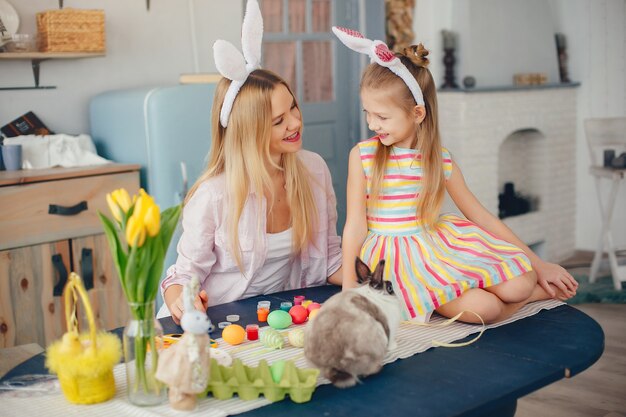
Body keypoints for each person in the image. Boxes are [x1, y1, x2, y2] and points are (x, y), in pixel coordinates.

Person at [335, 27, 577, 324]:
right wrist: (349, 286)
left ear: (418, 114)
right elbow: (355, 225)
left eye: (382, 116)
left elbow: (482, 217)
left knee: (521, 282)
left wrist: (538, 264)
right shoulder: (363, 156)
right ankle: (477, 298)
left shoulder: (440, 160)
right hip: (395, 258)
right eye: (367, 113)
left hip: (437, 247)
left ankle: (516, 291)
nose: (373, 124)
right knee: (483, 310)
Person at [159, 1, 342, 324]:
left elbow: (329, 259)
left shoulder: (313, 170)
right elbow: (181, 278)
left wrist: (380, 268)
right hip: (218, 323)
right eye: (278, 121)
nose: (296, 123)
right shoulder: (214, 195)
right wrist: (182, 303)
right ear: (249, 132)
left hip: (276, 319)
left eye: (294, 108)